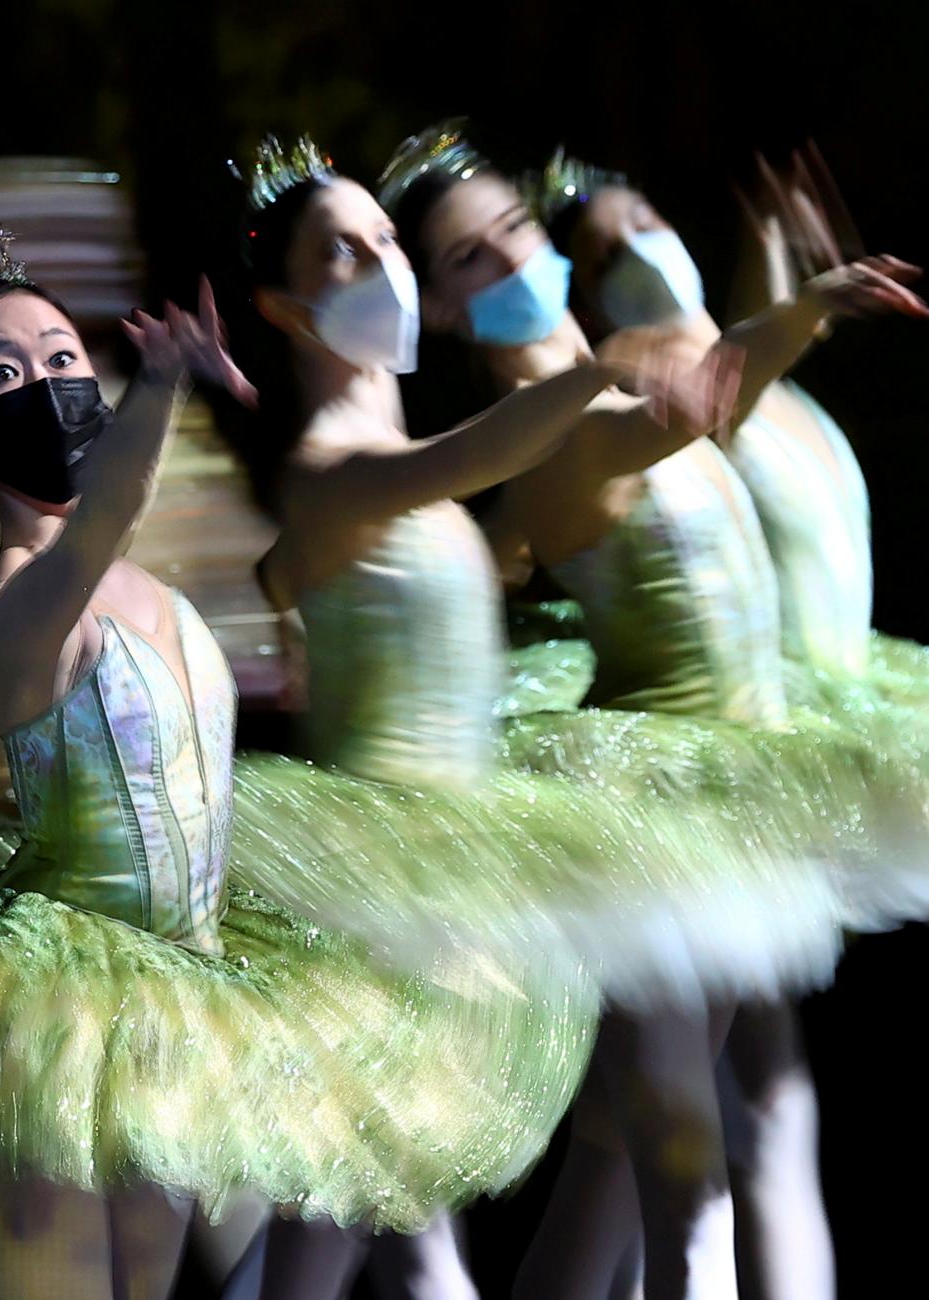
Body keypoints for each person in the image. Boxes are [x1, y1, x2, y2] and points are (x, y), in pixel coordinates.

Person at [0, 231, 603, 1300]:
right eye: (1, 376)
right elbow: (84, 540)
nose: (46, 386)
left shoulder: (127, 597)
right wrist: (161, 386)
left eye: (60, 359)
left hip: (177, 1003)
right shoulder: (31, 588)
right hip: (44, 1022)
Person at [381, 121, 929, 1300]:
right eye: (471, 258)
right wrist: (797, 317)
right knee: (688, 1188)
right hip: (650, 826)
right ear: (436, 308)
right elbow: (679, 413)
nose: (515, 259)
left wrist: (788, 305)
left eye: (516, 229)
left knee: (616, 1179)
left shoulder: (643, 368)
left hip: (739, 796)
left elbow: (706, 383)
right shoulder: (548, 444)